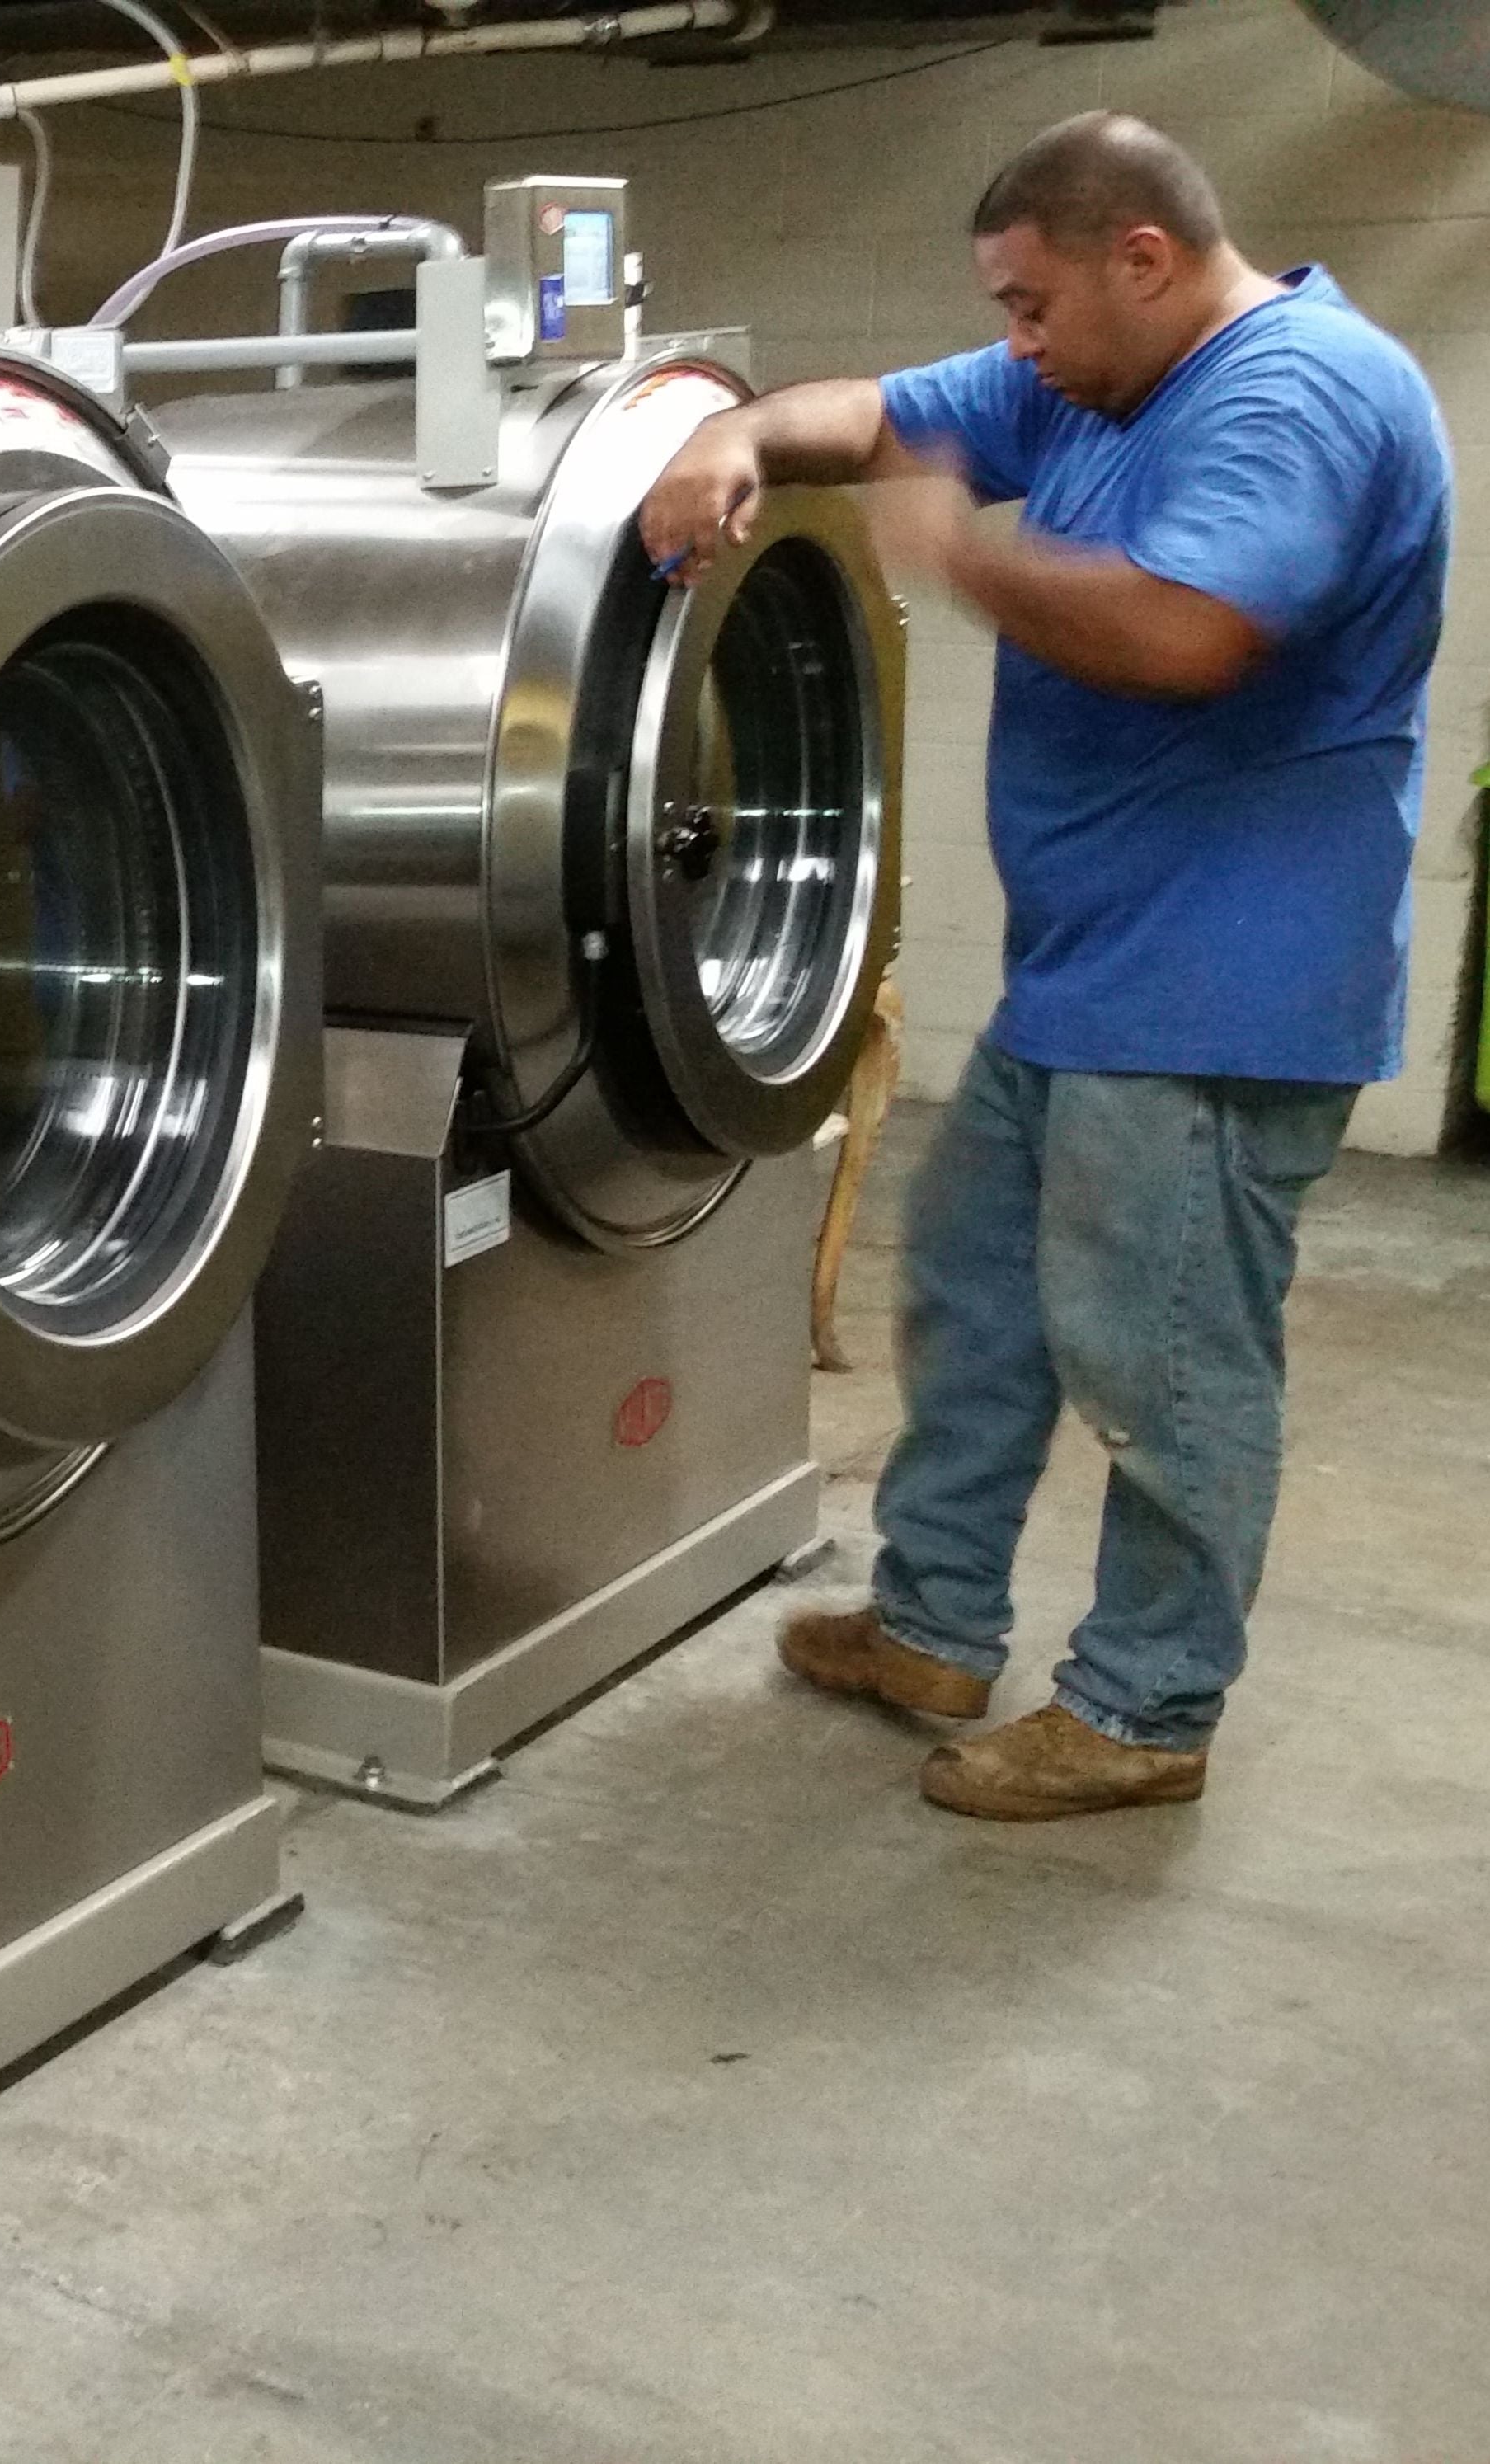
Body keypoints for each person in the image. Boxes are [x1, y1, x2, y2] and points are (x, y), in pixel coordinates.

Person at [638, 110, 1452, 1821]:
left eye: (1030, 305)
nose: (1014, 346)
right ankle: (931, 1622)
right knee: (980, 1298)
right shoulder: (1097, 378)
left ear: (1138, 259)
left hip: (1220, 999)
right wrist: (736, 439)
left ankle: (1147, 1710)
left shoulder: (1294, 393)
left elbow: (1189, 631)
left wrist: (961, 554)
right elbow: (873, 414)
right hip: (1095, 978)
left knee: (1160, 1360)